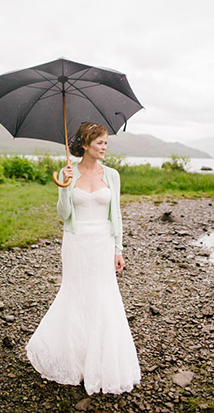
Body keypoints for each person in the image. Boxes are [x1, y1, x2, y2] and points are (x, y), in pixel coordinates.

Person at [26, 122, 140, 395]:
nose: (104, 147)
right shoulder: (69, 172)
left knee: (103, 296)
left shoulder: (112, 175)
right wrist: (65, 186)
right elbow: (63, 214)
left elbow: (117, 214)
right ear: (85, 145)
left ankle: (100, 363)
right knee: (75, 294)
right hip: (76, 243)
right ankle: (72, 360)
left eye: (105, 142)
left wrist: (119, 248)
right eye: (100, 142)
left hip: (103, 243)